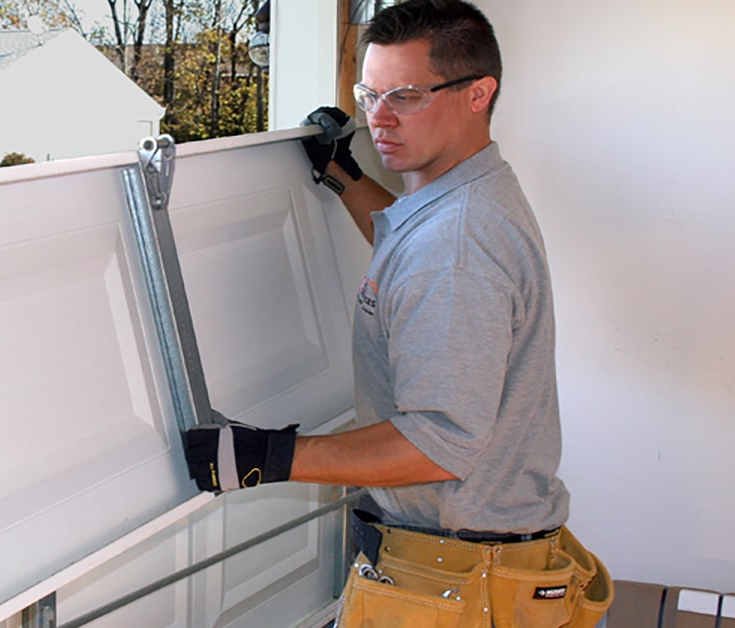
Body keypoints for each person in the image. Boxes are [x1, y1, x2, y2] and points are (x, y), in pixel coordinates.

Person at [183, 1, 613, 625]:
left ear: (478, 93)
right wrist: (342, 175)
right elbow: (407, 246)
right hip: (475, 561)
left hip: (462, 584)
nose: (378, 118)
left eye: (405, 97)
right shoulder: (468, 193)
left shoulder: (456, 246)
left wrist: (268, 457)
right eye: (370, 94)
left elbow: (438, 445)